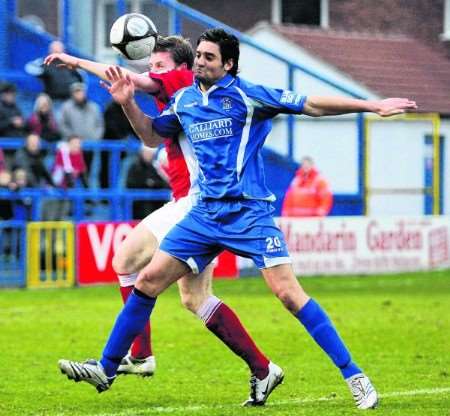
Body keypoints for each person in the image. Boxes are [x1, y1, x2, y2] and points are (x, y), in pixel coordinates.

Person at [57, 28, 417, 408]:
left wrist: (371, 106)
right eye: (198, 56)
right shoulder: (184, 101)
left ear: (228, 64)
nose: (200, 63)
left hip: (248, 213)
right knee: (146, 280)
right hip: (204, 214)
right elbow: (149, 135)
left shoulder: (248, 96)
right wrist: (128, 103)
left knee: (289, 296)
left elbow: (310, 104)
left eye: (209, 58)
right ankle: (108, 367)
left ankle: (354, 375)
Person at [47, 36, 274, 393]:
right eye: (150, 65)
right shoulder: (177, 102)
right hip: (193, 202)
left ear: (183, 69)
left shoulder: (184, 83)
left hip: (195, 202)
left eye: (160, 66)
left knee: (125, 259)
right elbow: (150, 135)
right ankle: (263, 369)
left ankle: (138, 356)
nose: (152, 73)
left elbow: (132, 79)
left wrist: (77, 62)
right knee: (195, 299)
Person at [25, 40, 83, 109]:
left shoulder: (69, 62)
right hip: (53, 101)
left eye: (59, 49)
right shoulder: (45, 61)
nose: (57, 51)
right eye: (55, 49)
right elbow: (29, 67)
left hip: (70, 101)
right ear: (50, 50)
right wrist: (44, 71)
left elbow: (82, 77)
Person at [126, 145, 169, 219]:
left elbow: (164, 184)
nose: (148, 155)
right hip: (140, 204)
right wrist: (147, 183)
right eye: (147, 153)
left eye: (150, 153)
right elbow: (130, 184)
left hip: (156, 203)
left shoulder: (156, 167)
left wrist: (153, 184)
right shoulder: (135, 167)